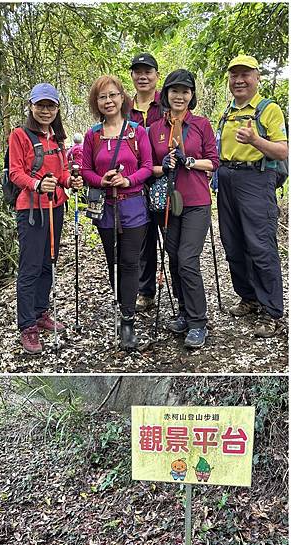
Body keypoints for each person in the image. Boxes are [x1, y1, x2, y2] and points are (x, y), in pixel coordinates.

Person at [9, 83, 83, 354]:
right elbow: (15, 173)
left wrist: (70, 181)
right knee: (29, 267)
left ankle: (41, 312)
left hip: (56, 206)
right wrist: (38, 185)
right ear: (31, 106)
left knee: (48, 262)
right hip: (30, 209)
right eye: (40, 105)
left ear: (57, 109)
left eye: (50, 106)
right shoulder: (19, 135)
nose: (45, 110)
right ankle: (27, 326)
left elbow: (62, 172)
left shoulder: (57, 138)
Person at [216, 55, 288, 337]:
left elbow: (283, 151)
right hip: (228, 179)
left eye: (245, 74)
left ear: (257, 77)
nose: (239, 80)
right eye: (234, 75)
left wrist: (255, 140)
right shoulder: (228, 111)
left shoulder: (268, 109)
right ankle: (249, 298)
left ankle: (272, 313)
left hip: (257, 179)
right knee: (232, 243)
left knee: (261, 246)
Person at [148, 69, 219, 349]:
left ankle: (199, 322)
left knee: (188, 259)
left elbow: (214, 162)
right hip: (168, 203)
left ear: (192, 96)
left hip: (197, 202)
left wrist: (190, 161)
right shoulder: (155, 129)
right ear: (165, 94)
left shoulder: (201, 124)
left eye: (185, 91)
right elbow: (148, 166)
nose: (179, 96)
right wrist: (161, 165)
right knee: (174, 258)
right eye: (174, 91)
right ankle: (184, 312)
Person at [81, 75, 153, 349]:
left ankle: (128, 321)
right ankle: (122, 303)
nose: (108, 101)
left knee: (130, 261)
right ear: (96, 102)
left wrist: (128, 180)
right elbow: (87, 170)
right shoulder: (92, 135)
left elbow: (147, 166)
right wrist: (102, 180)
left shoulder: (137, 131)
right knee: (112, 260)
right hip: (105, 208)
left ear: (123, 98)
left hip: (133, 206)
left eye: (113, 95)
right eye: (102, 97)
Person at [129, 53, 163, 313]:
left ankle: (183, 293)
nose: (143, 76)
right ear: (132, 76)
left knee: (173, 237)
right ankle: (145, 290)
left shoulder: (167, 102)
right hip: (136, 183)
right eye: (138, 71)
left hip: (165, 178)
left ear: (156, 75)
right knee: (143, 239)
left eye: (148, 71)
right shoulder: (124, 107)